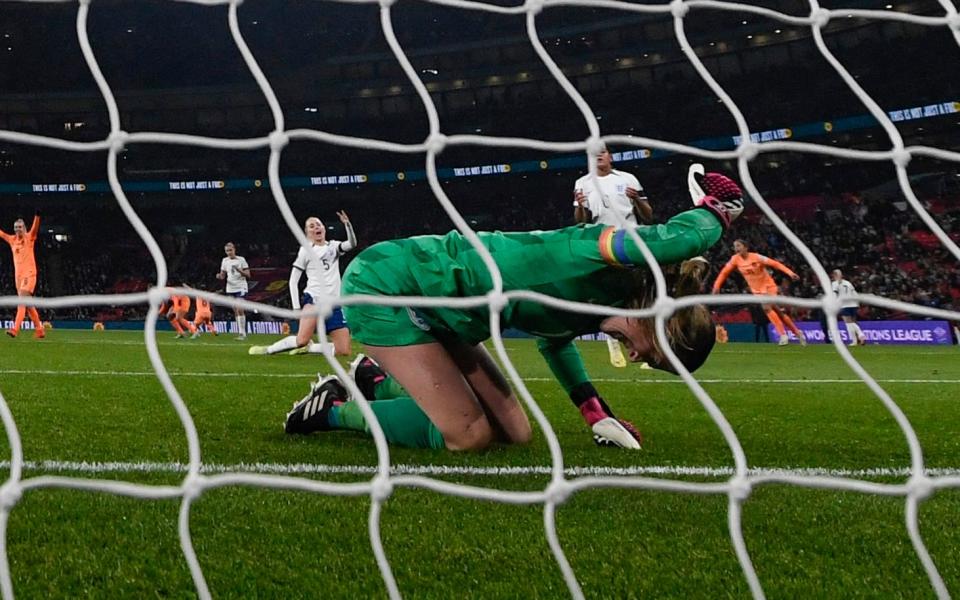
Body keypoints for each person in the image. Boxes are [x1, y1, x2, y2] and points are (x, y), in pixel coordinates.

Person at [281, 168, 745, 452]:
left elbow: (554, 342)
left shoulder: (597, 310)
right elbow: (673, 239)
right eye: (657, 357)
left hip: (448, 314)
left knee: (516, 433)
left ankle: (378, 380)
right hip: (392, 284)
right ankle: (333, 409)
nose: (643, 361)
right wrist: (717, 212)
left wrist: (593, 412)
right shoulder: (596, 257)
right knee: (469, 435)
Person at [573, 146, 653, 368]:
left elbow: (648, 215)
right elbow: (581, 222)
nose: (598, 155)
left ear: (610, 156)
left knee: (639, 295)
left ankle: (647, 346)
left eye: (602, 151)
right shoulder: (583, 183)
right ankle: (614, 341)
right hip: (602, 244)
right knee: (611, 297)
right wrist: (580, 205)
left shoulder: (628, 179)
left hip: (630, 241)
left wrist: (637, 199)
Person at [249, 211, 357, 357]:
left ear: (324, 228)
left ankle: (311, 348)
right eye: (311, 226)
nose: (316, 227)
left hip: (334, 304)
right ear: (307, 233)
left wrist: (348, 225)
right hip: (314, 300)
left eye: (318, 224)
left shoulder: (333, 247)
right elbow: (293, 281)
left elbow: (352, 244)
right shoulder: (306, 251)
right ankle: (268, 350)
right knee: (301, 340)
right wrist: (296, 308)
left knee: (343, 351)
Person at [711, 239, 807, 346]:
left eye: (739, 246)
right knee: (778, 312)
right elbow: (724, 273)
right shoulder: (735, 259)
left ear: (746, 247)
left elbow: (775, 264)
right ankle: (798, 333)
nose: (736, 249)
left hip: (769, 287)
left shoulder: (757, 257)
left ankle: (783, 335)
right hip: (757, 291)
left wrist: (790, 273)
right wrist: (716, 286)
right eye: (735, 246)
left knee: (766, 307)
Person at [1, 211, 45, 339]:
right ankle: (40, 330)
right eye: (16, 227)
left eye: (20, 227)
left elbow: (35, 228)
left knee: (21, 302)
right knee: (29, 305)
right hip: (18, 277)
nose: (17, 229)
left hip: (29, 274)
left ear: (24, 228)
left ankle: (15, 329)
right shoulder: (12, 240)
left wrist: (37, 216)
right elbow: (2, 234)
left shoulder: (29, 237)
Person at [217, 242, 251, 340]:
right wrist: (219, 276)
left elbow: (248, 275)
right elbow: (222, 275)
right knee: (235, 310)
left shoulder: (241, 260)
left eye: (230, 250)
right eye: (227, 251)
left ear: (234, 250)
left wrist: (239, 270)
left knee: (240, 308)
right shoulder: (224, 261)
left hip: (241, 287)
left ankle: (243, 334)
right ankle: (240, 333)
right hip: (230, 288)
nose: (229, 253)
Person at [831, 269, 866, 346]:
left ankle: (861, 334)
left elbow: (835, 294)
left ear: (835, 275)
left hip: (844, 305)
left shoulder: (835, 283)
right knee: (851, 323)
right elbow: (854, 293)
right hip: (853, 304)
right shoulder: (848, 282)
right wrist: (858, 302)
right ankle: (854, 341)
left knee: (849, 322)